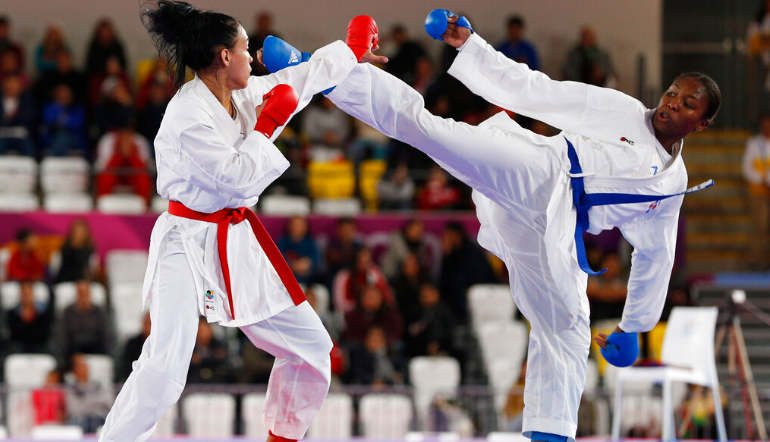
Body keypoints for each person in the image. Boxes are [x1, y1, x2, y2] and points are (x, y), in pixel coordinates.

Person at [260, 9, 721, 441]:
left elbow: (655, 256)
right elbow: (538, 91)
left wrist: (634, 325)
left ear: (702, 124)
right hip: (542, 170)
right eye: (671, 94)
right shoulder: (623, 111)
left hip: (556, 230)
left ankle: (547, 433)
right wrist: (471, 46)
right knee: (435, 132)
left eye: (687, 104)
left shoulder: (670, 189)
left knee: (567, 327)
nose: (671, 104)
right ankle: (321, 72)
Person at [98, 2, 384, 441]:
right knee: (165, 365)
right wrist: (266, 128)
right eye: (245, 48)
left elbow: (301, 78)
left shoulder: (242, 95)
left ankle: (281, 436)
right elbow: (234, 179)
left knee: (312, 347)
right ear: (223, 56)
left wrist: (350, 50)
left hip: (235, 237)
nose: (253, 57)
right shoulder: (187, 115)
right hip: (186, 240)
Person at [742, 113, 770, 268]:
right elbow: (747, 168)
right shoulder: (753, 144)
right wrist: (763, 181)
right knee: (759, 226)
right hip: (758, 193)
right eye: (765, 124)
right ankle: (756, 261)